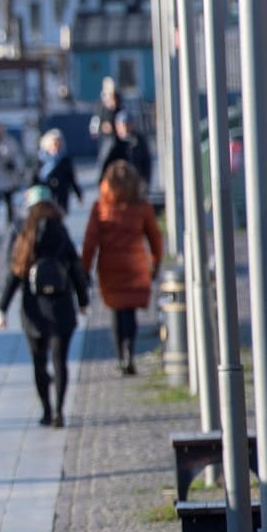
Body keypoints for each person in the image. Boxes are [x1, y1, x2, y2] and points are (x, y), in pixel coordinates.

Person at [0, 185, 91, 427]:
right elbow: (76, 269)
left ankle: (46, 410)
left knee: (39, 362)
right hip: (61, 307)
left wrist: (1, 308)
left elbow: (14, 275)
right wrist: (83, 300)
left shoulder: (24, 231)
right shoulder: (61, 231)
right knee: (60, 362)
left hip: (33, 309)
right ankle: (59, 411)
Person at [81, 159, 165, 376]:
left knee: (117, 312)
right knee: (130, 312)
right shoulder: (142, 207)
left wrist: (84, 269)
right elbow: (155, 237)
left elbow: (90, 241)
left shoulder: (101, 207)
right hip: (135, 265)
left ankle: (120, 356)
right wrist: (155, 262)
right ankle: (129, 352)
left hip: (110, 266)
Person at [31, 129, 82, 215]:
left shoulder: (64, 159)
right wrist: (31, 190)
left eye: (59, 143)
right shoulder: (40, 159)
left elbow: (71, 177)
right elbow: (34, 176)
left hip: (61, 193)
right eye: (54, 143)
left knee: (60, 217)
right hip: (45, 193)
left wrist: (78, 193)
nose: (57, 146)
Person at [102, 110, 153, 187]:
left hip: (135, 184)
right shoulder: (112, 143)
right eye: (122, 125)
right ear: (117, 126)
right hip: (117, 185)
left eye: (128, 124)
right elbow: (104, 164)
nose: (125, 128)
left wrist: (145, 182)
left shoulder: (139, 141)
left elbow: (146, 162)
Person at [91, 76, 124, 165]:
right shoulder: (101, 103)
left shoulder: (117, 100)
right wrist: (97, 129)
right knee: (105, 159)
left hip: (117, 136)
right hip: (105, 136)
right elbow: (97, 118)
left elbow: (120, 115)